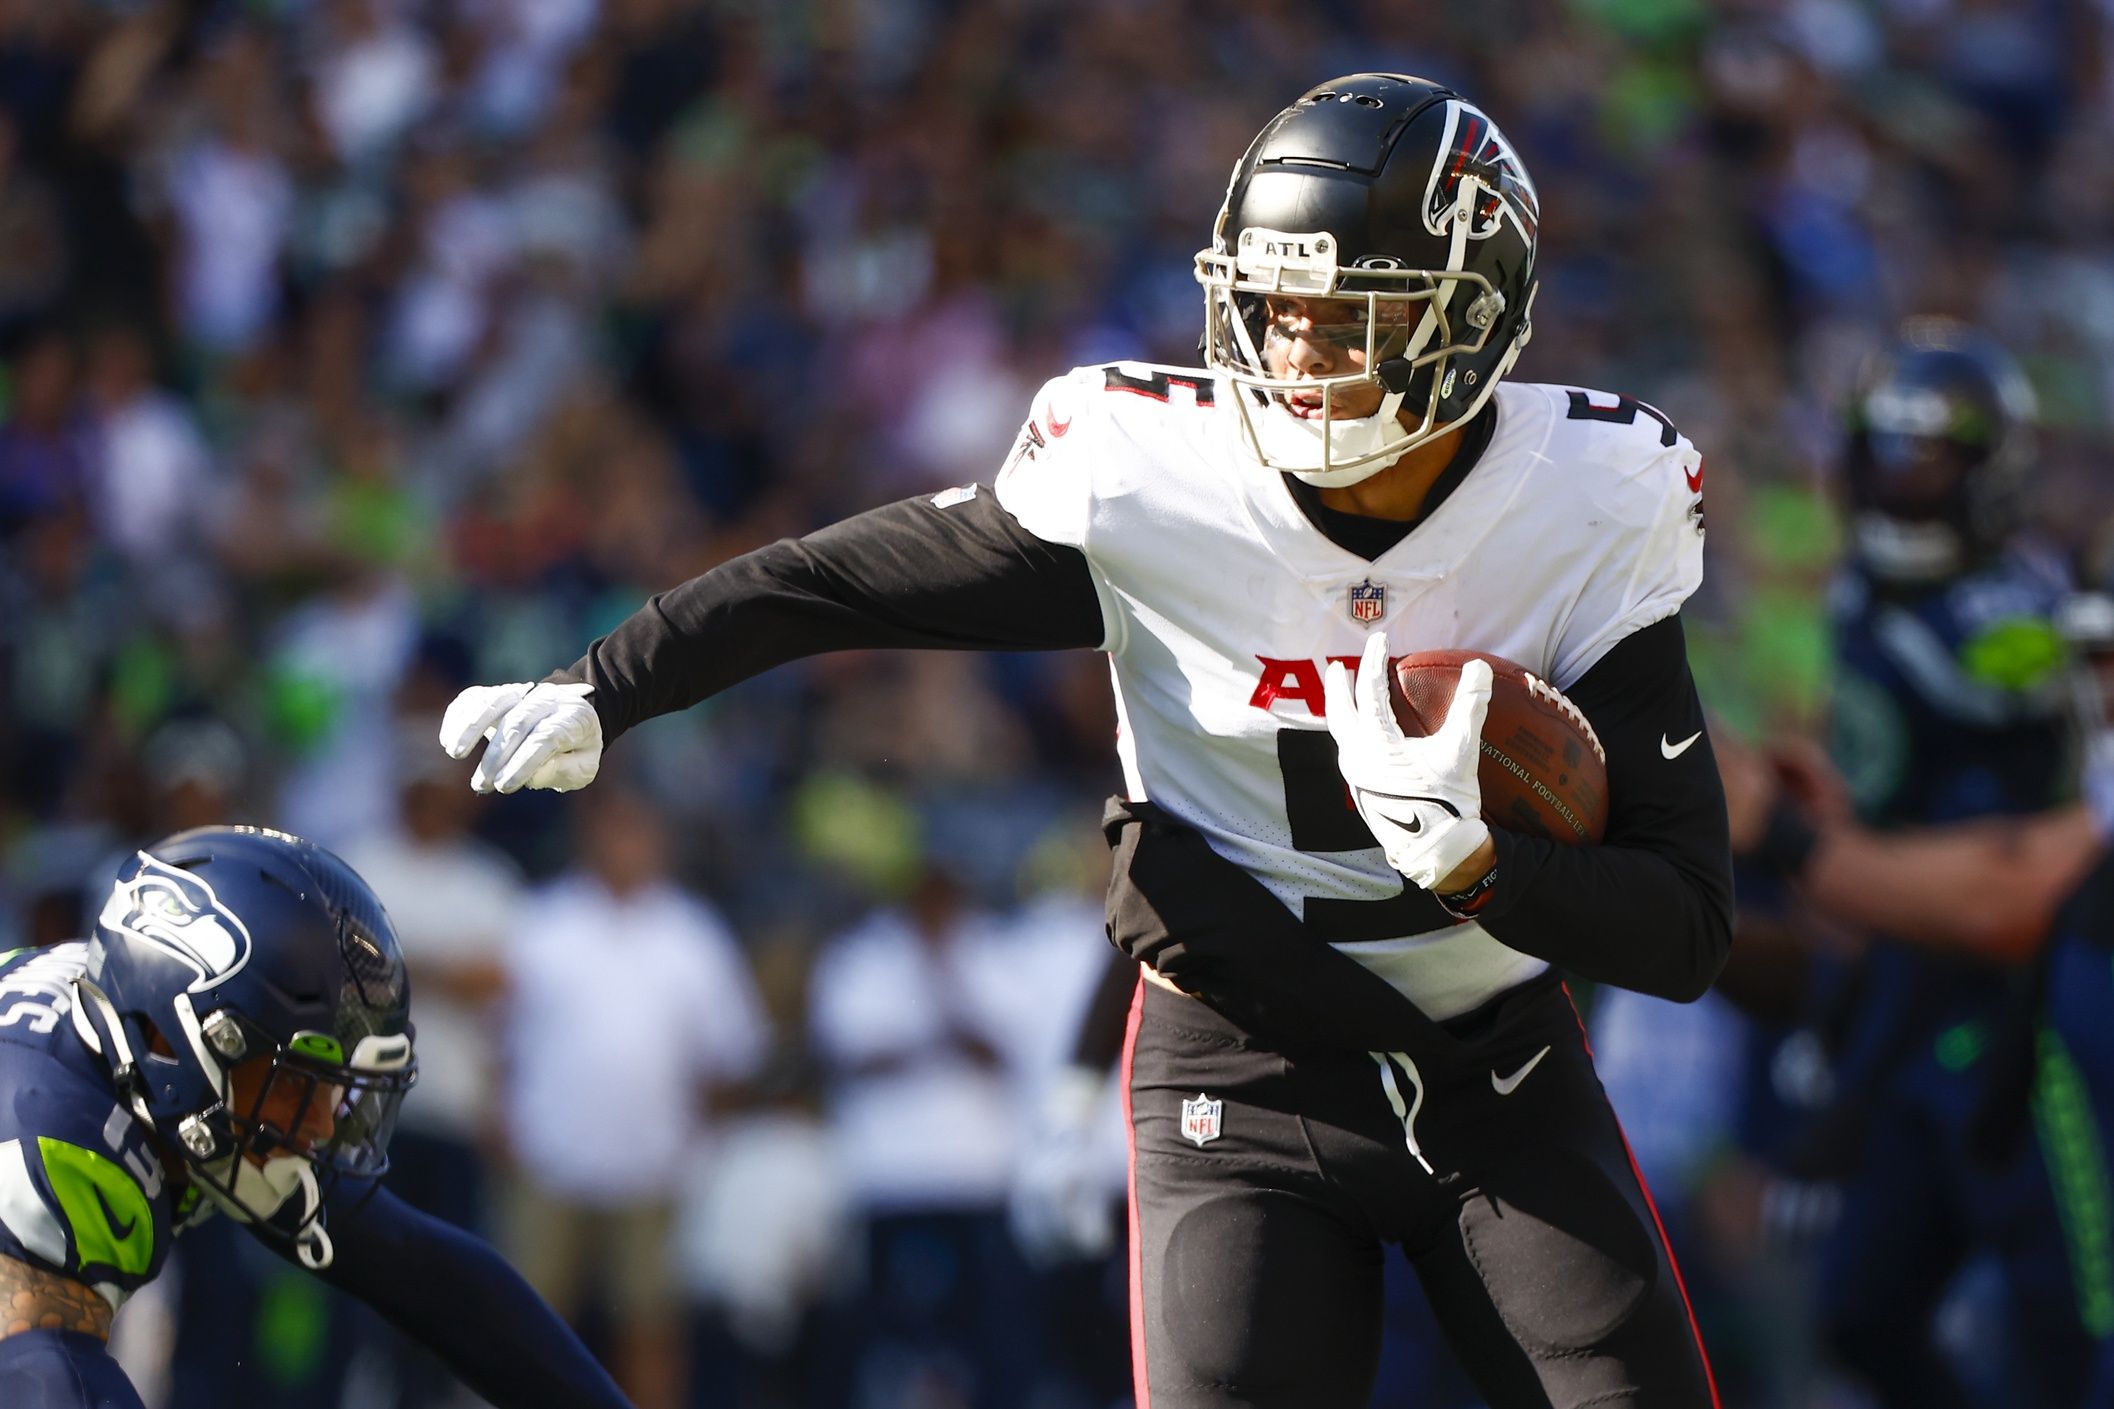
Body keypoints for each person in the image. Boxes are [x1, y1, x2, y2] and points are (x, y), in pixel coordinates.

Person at [442, 73, 1732, 1408]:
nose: (1292, 353)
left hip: (1497, 1064)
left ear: (1470, 319)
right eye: (1272, 306)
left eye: (1345, 315)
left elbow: (1684, 929)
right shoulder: (1147, 473)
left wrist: (1478, 868)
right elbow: (835, 583)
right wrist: (609, 684)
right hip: (1242, 1070)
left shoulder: (1588, 496)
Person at [1736, 321, 2096, 1407]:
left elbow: (1969, 873)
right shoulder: (1860, 597)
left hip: (2020, 1002)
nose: (1900, 482)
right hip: (1905, 985)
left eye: (1929, 454)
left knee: (2067, 1328)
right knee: (1859, 1312)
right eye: (1883, 449)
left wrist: (1845, 1083)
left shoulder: (2009, 621)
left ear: (1989, 468)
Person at [0, 825, 636, 1409]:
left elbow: (431, 1276)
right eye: (300, 1079)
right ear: (175, 1042)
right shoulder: (51, 1147)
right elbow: (46, 1380)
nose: (322, 1124)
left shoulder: (151, 1055)